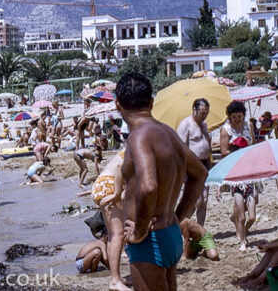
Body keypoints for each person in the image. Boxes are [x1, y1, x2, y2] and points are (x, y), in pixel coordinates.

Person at [116, 72, 207, 291]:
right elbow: (200, 174)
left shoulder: (138, 136)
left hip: (149, 239)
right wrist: (177, 216)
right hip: (170, 233)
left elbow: (148, 186)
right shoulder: (169, 133)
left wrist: (138, 231)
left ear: (117, 105)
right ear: (151, 102)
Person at [77, 149, 128, 291]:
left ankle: (116, 278)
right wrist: (118, 193)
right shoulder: (140, 143)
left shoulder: (137, 141)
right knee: (118, 234)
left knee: (114, 236)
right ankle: (115, 280)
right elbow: (120, 167)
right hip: (109, 185)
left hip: (103, 185)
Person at [220, 101, 257, 251]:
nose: (237, 119)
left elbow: (253, 142)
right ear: (229, 117)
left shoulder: (248, 125)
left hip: (249, 164)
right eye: (234, 117)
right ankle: (238, 228)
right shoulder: (226, 130)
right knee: (238, 200)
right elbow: (223, 151)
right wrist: (237, 149)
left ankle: (238, 222)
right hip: (234, 166)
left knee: (255, 199)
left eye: (239, 116)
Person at [176, 98, 212, 225]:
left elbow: (207, 143)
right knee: (194, 200)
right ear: (194, 109)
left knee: (204, 200)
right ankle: (182, 224)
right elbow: (180, 148)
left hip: (205, 164)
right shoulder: (185, 124)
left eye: (206, 113)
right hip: (191, 166)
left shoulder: (204, 124)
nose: (204, 116)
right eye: (202, 113)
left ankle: (200, 227)